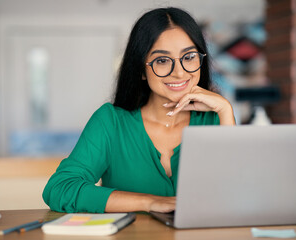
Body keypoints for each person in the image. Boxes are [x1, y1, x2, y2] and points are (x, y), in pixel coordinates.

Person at [43, 7, 235, 214]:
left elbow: (238, 194)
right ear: (141, 70)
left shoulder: (215, 120)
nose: (179, 73)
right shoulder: (110, 122)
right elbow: (60, 189)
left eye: (189, 57)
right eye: (162, 60)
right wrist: (150, 202)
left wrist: (225, 110)